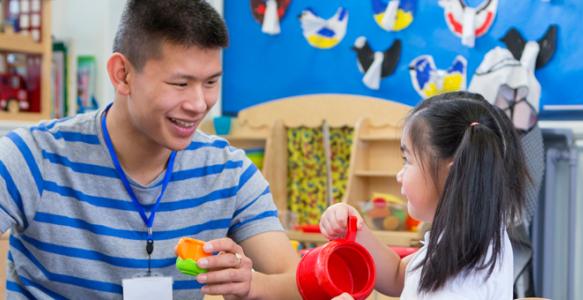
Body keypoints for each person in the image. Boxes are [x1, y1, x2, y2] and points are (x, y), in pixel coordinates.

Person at [0, 1, 300, 299]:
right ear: (122, 74)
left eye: (211, 82)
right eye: (180, 83)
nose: (198, 104)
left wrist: (251, 284)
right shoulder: (33, 157)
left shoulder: (229, 172)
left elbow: (295, 283)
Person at [321, 92, 528, 299]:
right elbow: (398, 275)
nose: (399, 175)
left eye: (407, 160)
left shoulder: (462, 278)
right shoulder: (467, 239)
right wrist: (357, 232)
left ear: (451, 174)